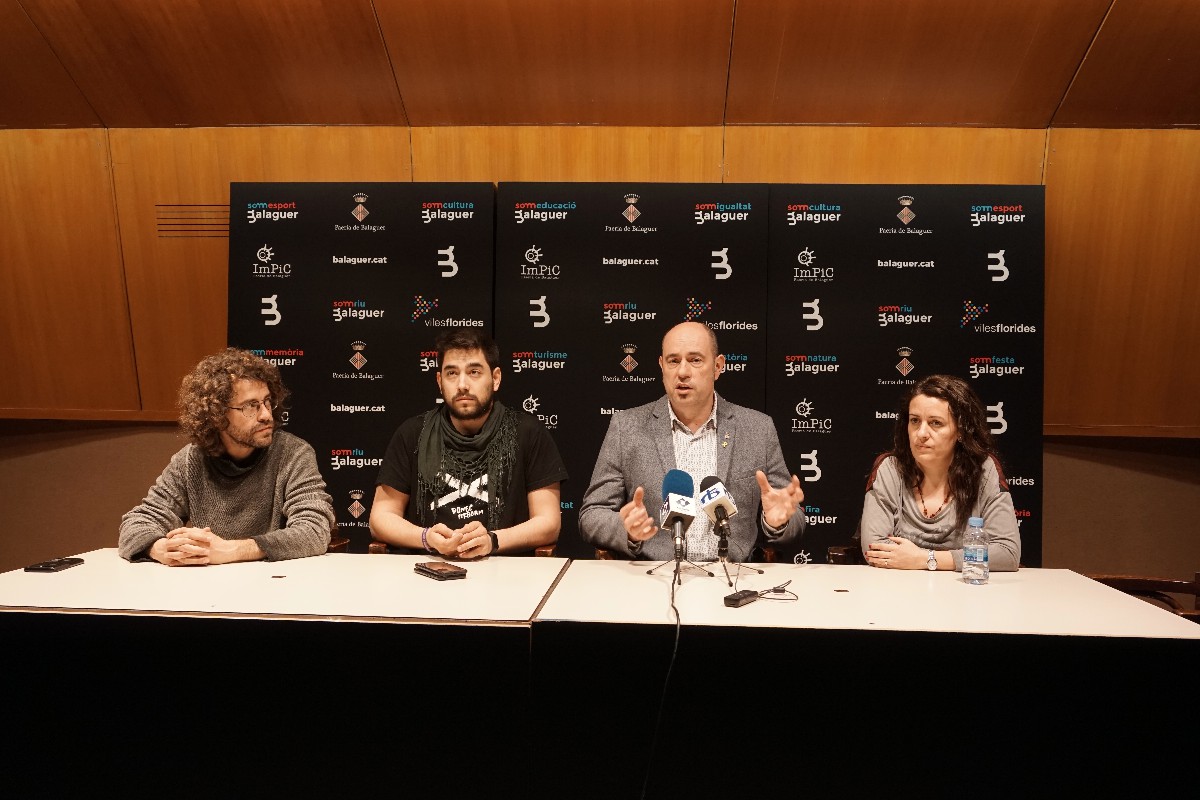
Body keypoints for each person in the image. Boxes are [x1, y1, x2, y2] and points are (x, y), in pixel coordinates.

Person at [580, 321, 806, 562]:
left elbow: (793, 517)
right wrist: (626, 528)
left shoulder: (757, 429)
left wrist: (777, 522)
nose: (682, 372)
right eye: (673, 361)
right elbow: (592, 515)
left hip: (732, 574)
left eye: (695, 360)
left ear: (718, 367)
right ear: (662, 366)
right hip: (654, 574)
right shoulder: (626, 427)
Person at [119, 348, 334, 565]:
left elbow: (314, 530)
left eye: (267, 401)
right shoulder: (190, 461)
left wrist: (232, 550)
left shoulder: (293, 453)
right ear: (217, 414)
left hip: (276, 579)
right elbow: (136, 524)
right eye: (250, 406)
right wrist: (162, 549)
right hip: (211, 582)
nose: (266, 415)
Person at [370, 329, 567, 558]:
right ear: (439, 381)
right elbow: (380, 518)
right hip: (429, 567)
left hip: (506, 569)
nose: (462, 384)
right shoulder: (413, 433)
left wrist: (492, 541)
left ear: (495, 378)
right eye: (452, 373)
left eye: (474, 372)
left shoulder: (528, 433)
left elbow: (549, 522)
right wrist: (427, 538)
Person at [861, 374, 1020, 571]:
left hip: (963, 587)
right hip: (900, 586)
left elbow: (1007, 553)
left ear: (961, 430)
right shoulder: (891, 468)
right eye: (914, 421)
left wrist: (925, 559)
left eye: (936, 423)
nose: (921, 433)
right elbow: (875, 548)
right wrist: (960, 559)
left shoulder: (983, 470)